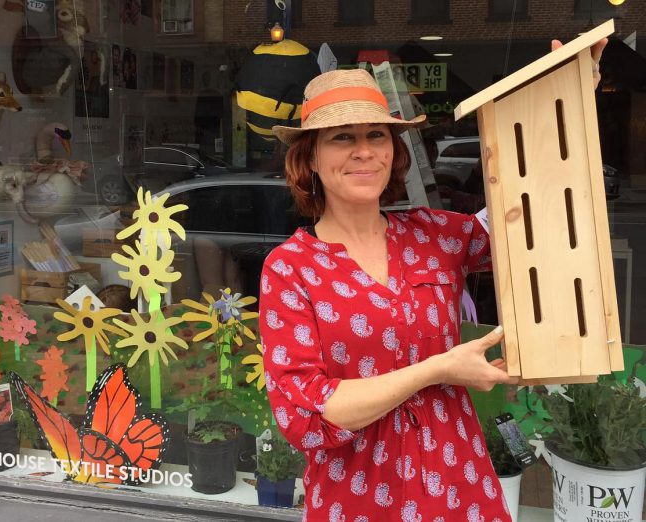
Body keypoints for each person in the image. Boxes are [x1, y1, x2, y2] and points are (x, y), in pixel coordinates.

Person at [259, 39, 606, 521]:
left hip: (456, 482)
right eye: (342, 137)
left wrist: (567, 101)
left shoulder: (434, 235)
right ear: (310, 158)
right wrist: (438, 369)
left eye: (377, 136)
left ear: (393, 150)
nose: (364, 151)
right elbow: (309, 415)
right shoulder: (291, 267)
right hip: (358, 496)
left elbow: (529, 216)